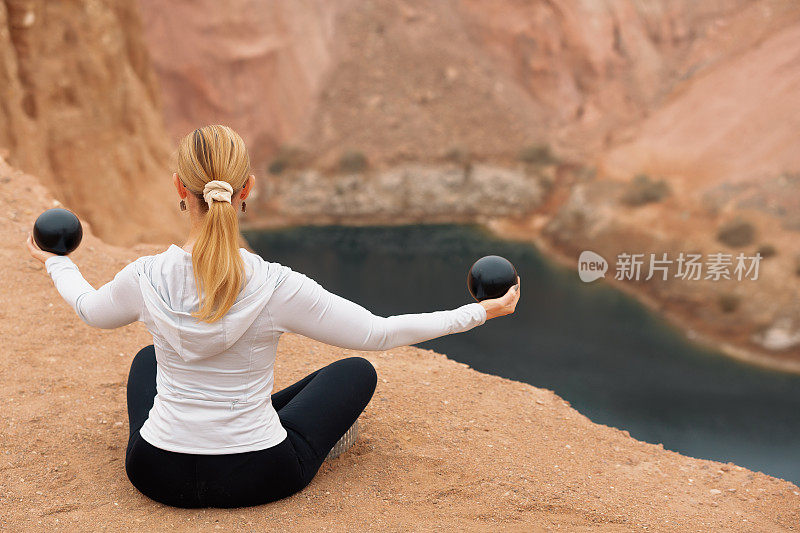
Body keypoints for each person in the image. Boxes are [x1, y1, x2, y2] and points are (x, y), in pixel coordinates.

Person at [25, 124, 521, 509]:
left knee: (145, 360)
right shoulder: (276, 285)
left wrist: (58, 261)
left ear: (180, 186)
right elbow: (377, 333)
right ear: (248, 189)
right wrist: (476, 312)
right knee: (357, 371)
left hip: (157, 473)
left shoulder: (144, 277)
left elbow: (91, 310)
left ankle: (226, 415)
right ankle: (254, 414)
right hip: (258, 475)